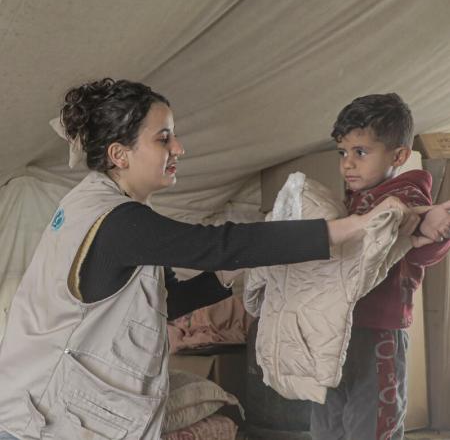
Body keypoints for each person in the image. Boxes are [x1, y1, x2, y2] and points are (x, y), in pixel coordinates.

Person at [0, 80, 444, 440]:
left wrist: (233, 274)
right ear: (119, 154)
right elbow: (215, 243)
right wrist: (345, 229)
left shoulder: (102, 208)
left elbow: (165, 303)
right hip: (53, 416)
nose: (180, 148)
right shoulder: (115, 220)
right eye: (164, 138)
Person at [310, 93, 450, 440]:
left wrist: (435, 231)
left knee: (373, 425)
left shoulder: (407, 198)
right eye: (342, 152)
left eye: (361, 152)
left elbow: (417, 246)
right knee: (327, 424)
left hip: (379, 334)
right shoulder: (353, 201)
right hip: (336, 327)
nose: (347, 164)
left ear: (399, 155)